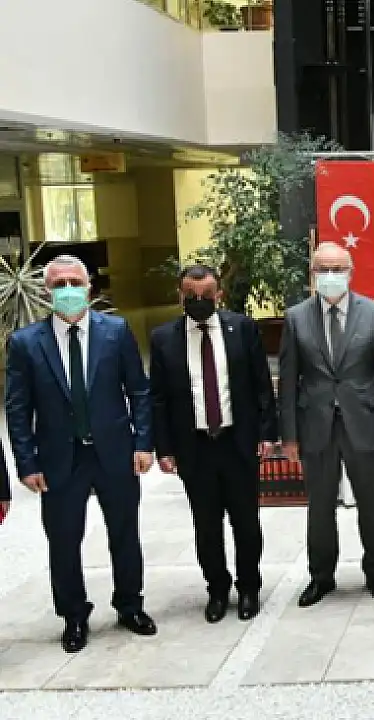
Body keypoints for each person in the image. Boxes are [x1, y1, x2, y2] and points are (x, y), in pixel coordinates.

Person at [4, 255, 155, 653]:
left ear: (89, 287)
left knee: (125, 533)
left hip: (115, 453)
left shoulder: (115, 331)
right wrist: (27, 462)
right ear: (47, 291)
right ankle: (73, 615)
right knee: (64, 540)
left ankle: (130, 605)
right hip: (59, 459)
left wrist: (143, 442)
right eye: (59, 284)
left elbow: (139, 390)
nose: (68, 289)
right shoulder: (25, 343)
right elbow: (17, 409)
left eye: (75, 282)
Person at [149, 264, 278, 623]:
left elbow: (261, 385)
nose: (199, 301)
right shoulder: (164, 339)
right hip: (194, 447)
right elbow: (157, 398)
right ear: (180, 296)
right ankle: (217, 589)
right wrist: (164, 448)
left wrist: (267, 433)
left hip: (238, 442)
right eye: (191, 295)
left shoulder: (243, 329)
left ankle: (249, 587)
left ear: (219, 294)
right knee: (206, 526)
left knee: (246, 523)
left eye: (206, 294)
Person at [279, 242, 374, 607]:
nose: (330, 276)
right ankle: (321, 576)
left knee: (371, 503)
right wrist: (289, 436)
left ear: (351, 272)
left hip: (365, 421)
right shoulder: (296, 317)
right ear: (312, 274)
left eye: (337, 269)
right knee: (320, 505)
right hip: (315, 425)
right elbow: (288, 379)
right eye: (323, 269)